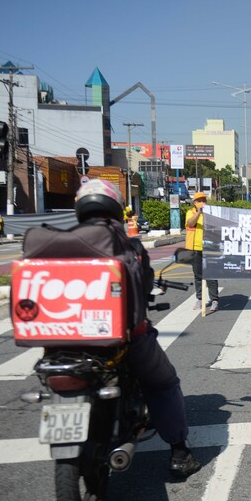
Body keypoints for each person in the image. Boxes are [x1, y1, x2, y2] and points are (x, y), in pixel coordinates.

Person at [73, 179, 201, 478]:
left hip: (66, 340)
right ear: (116, 208)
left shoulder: (59, 244)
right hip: (124, 338)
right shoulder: (128, 246)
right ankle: (180, 453)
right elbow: (144, 283)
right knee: (163, 384)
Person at [185, 191, 220, 312]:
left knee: (211, 274)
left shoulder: (211, 213)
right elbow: (190, 223)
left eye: (204, 200)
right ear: (194, 203)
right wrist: (199, 213)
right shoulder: (191, 212)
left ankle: (214, 300)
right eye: (199, 200)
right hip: (195, 248)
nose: (202, 202)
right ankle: (200, 298)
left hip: (209, 247)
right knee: (198, 275)